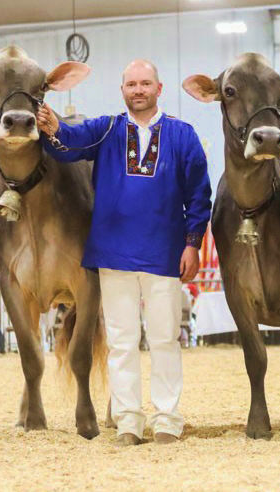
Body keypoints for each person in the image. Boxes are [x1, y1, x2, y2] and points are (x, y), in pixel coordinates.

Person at [36, 59, 212, 446]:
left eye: (145, 83)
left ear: (158, 88)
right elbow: (71, 144)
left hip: (165, 254)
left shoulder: (183, 135)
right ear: (122, 90)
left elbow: (200, 195)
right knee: (121, 340)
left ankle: (167, 419)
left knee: (165, 338)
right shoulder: (107, 129)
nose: (138, 89)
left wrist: (192, 243)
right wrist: (52, 127)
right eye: (130, 83)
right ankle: (129, 420)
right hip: (113, 253)